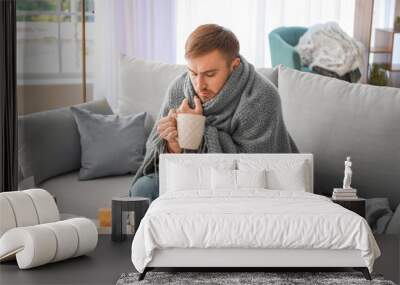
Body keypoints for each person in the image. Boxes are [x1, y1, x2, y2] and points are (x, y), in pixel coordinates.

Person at [129, 24, 298, 201]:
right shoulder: (179, 90)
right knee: (144, 189)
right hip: (189, 176)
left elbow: (255, 169)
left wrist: (201, 133)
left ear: (234, 65)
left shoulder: (261, 97)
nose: (199, 85)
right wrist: (172, 145)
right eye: (193, 73)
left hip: (240, 185)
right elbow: (158, 160)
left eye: (209, 74)